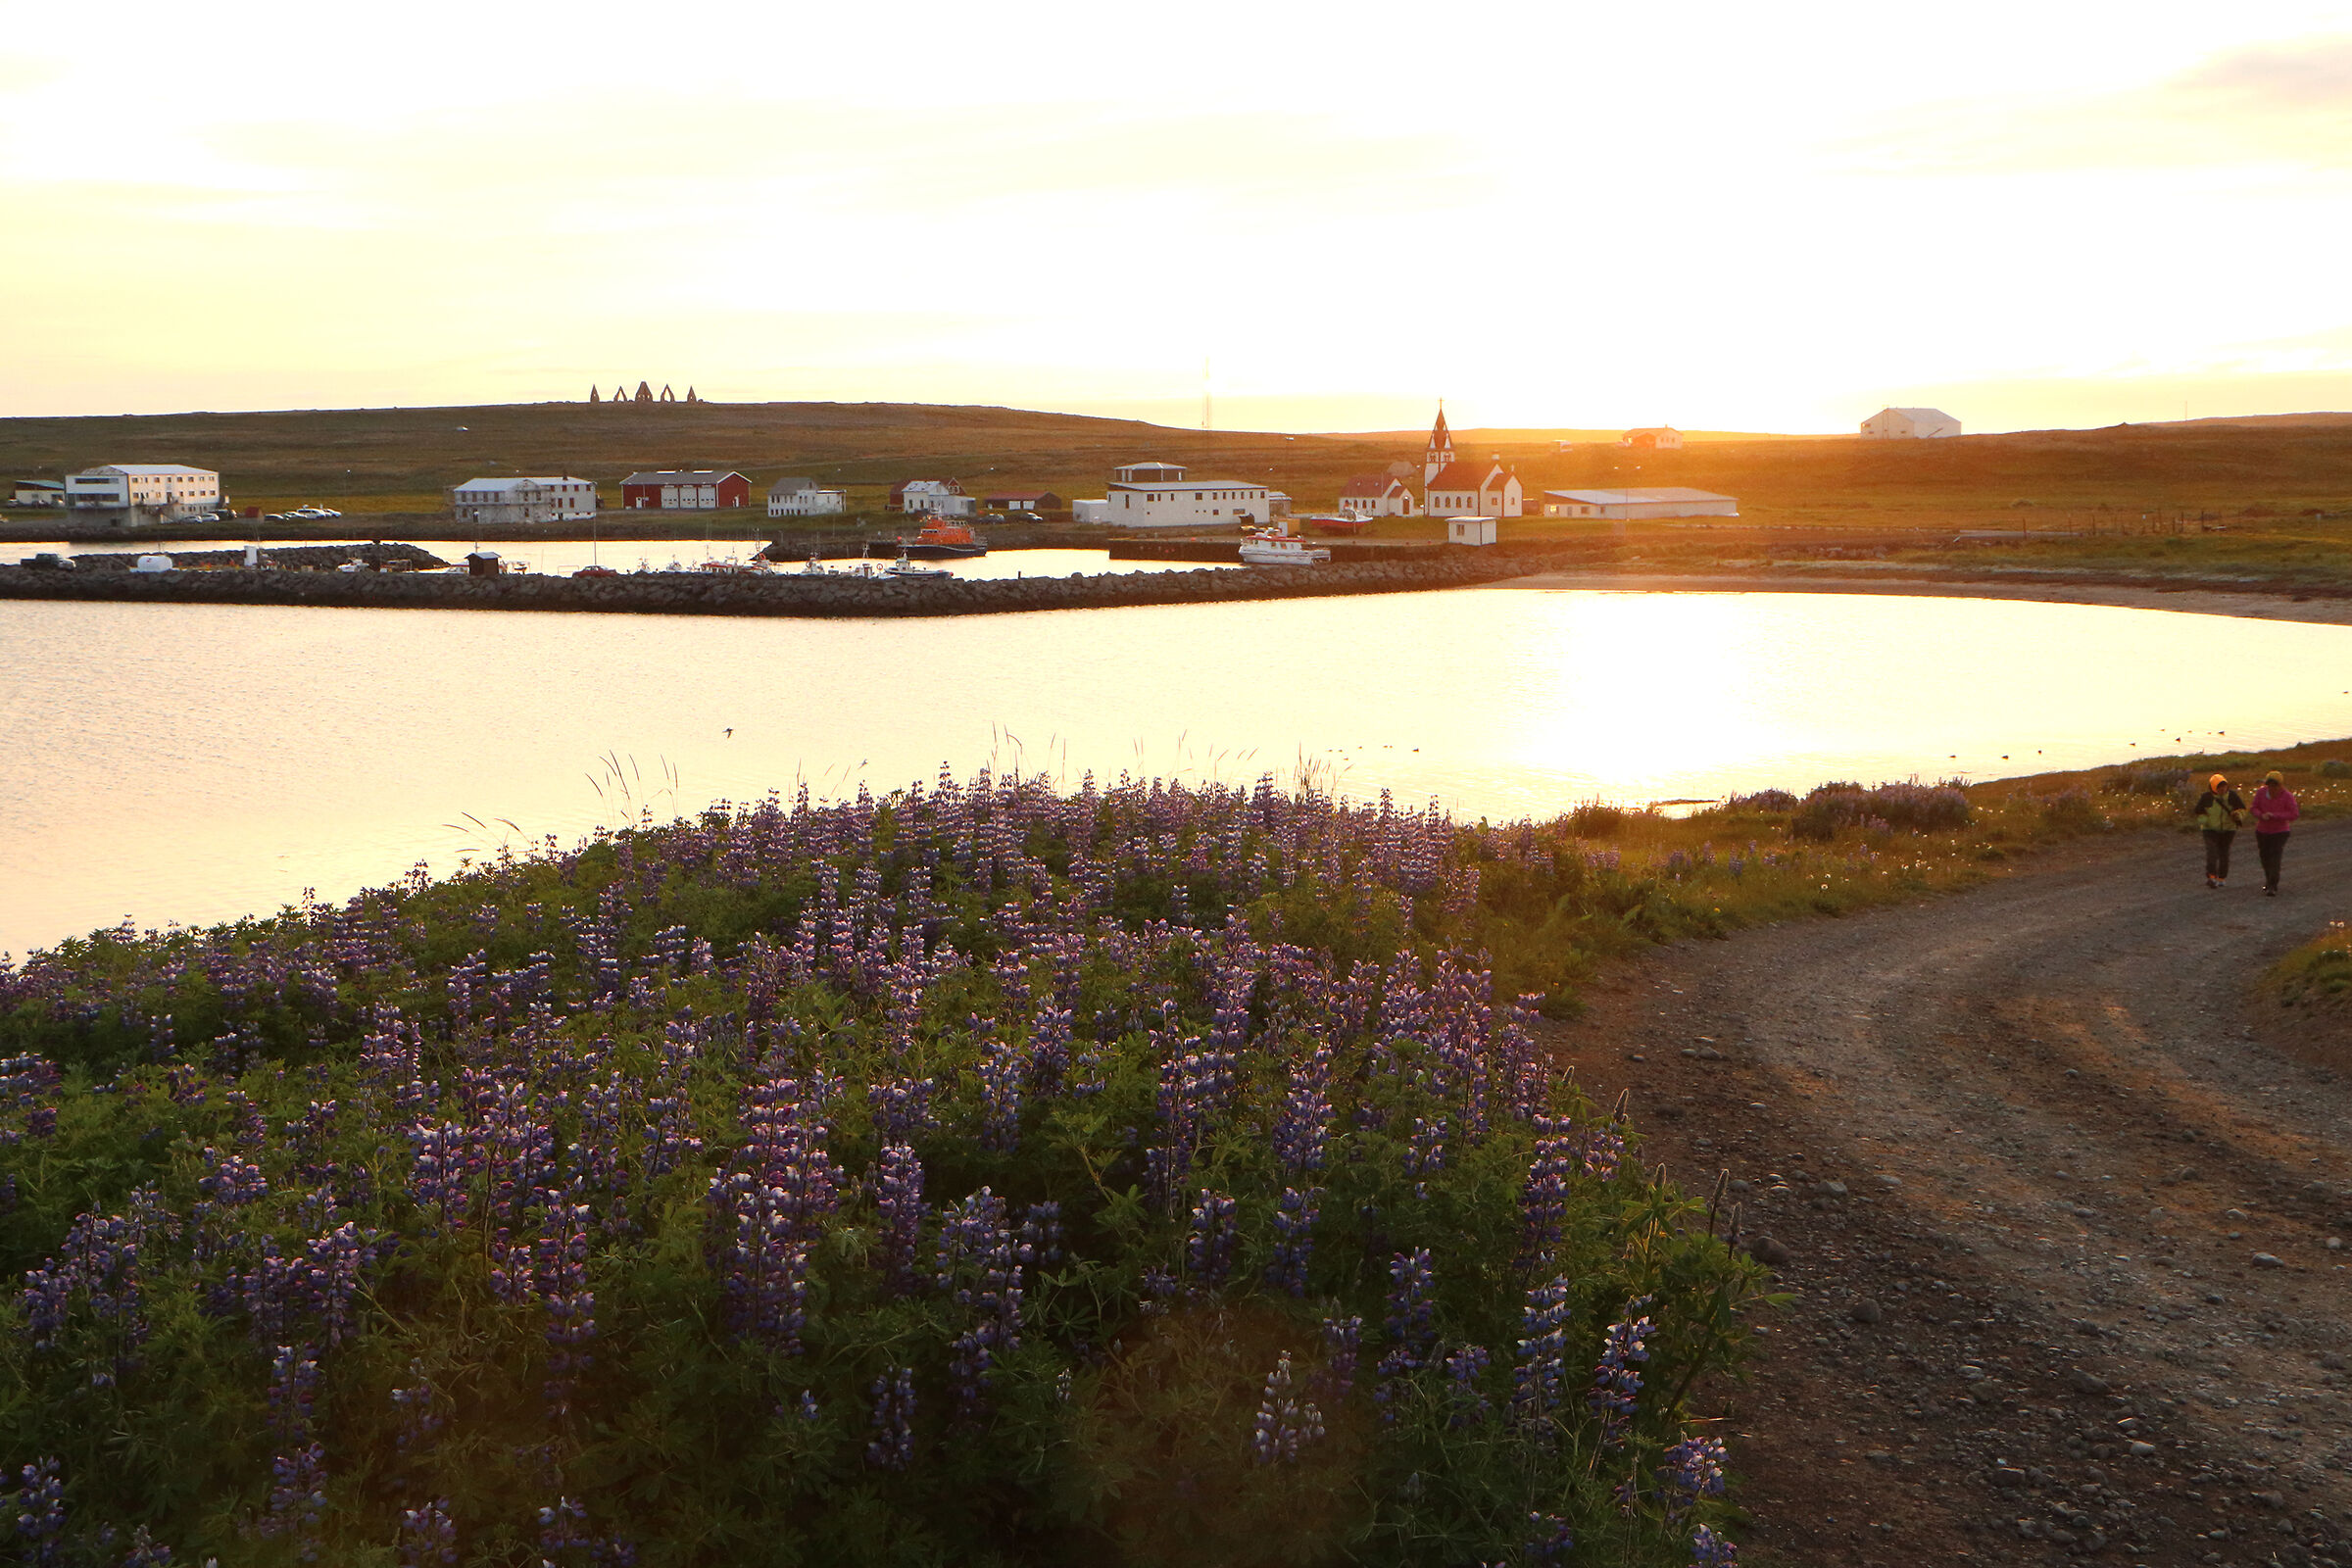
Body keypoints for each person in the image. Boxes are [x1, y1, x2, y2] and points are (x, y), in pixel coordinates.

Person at [2250, 769, 2301, 897]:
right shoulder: (2261, 793)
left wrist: (2275, 815)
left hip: (2280, 832)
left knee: (2275, 857)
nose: (2272, 788)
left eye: (2275, 785)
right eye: (2270, 785)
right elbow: (2253, 808)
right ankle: (2269, 881)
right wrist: (2261, 815)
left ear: (2281, 785)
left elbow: (2294, 814)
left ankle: (2272, 885)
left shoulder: (2287, 796)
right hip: (2262, 831)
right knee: (2264, 857)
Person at [2193, 772, 2246, 888]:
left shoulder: (2232, 796)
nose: (2222, 789)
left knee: (2224, 854)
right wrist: (2205, 821)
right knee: (2212, 852)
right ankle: (2211, 877)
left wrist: (2238, 815)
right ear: (2213, 787)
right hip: (2210, 830)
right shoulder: (2206, 797)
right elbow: (2198, 811)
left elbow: (2242, 809)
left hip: (2228, 830)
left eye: (2224, 786)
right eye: (2219, 786)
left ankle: (2221, 877)